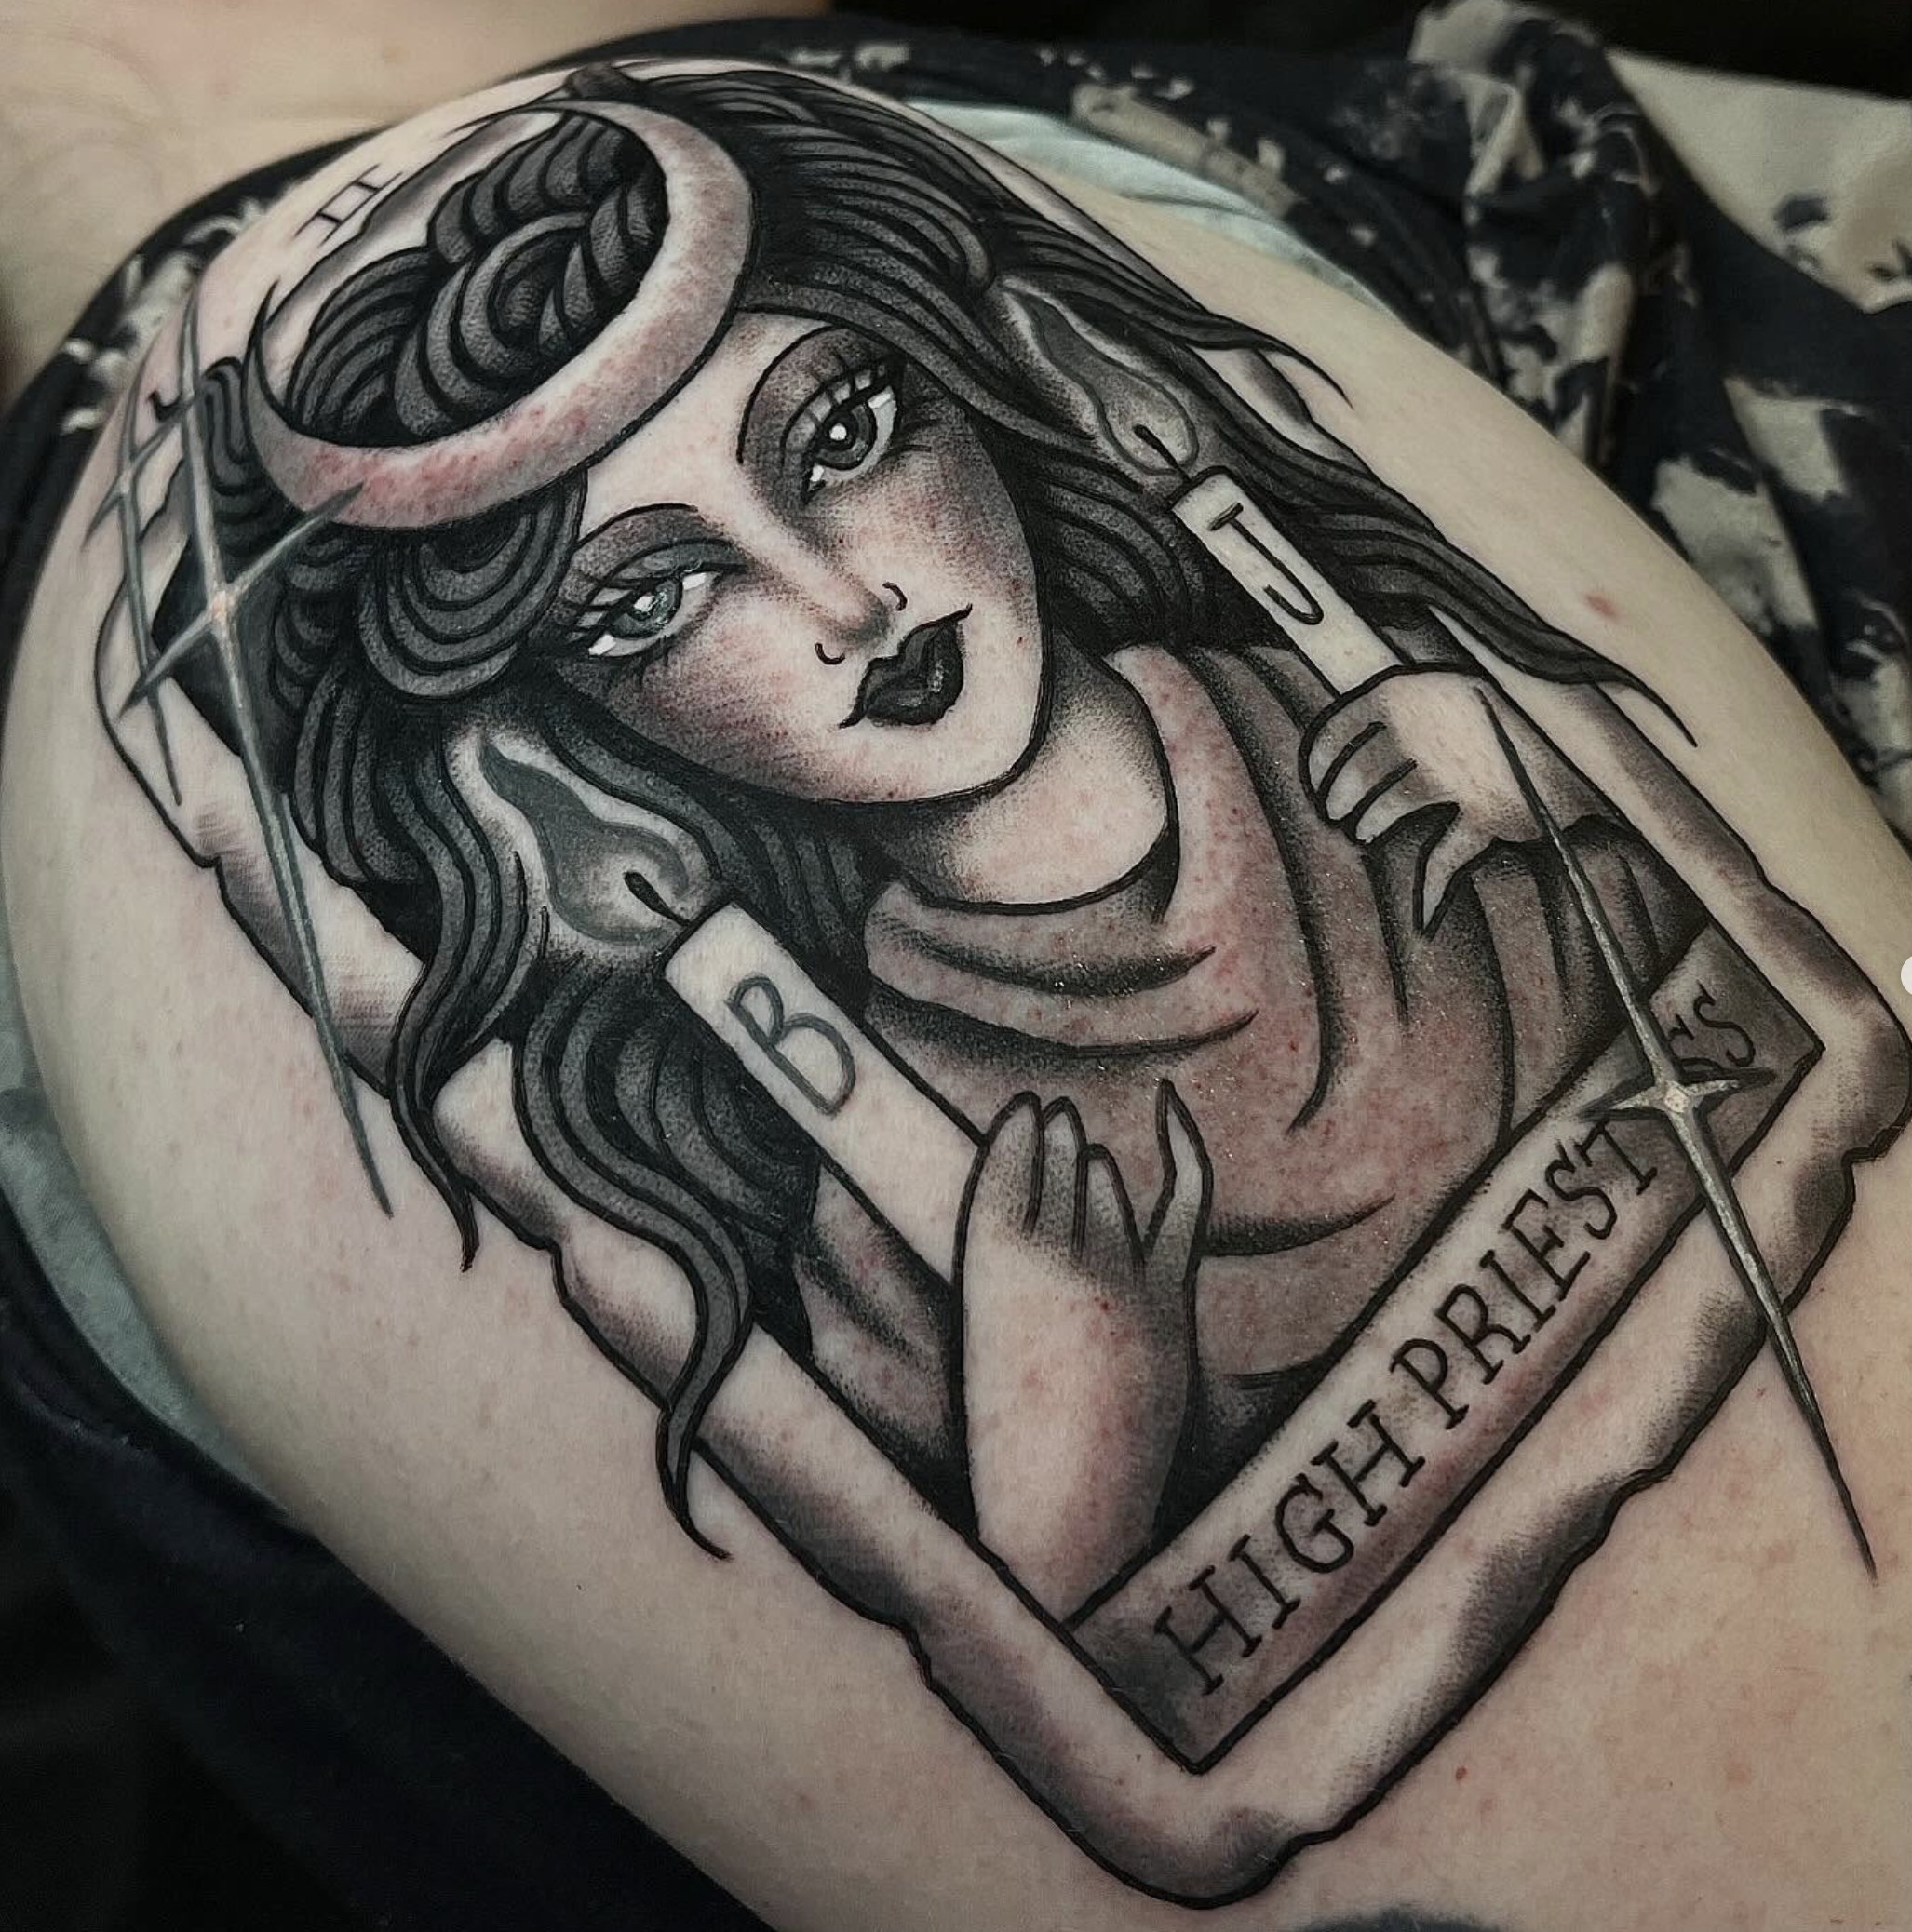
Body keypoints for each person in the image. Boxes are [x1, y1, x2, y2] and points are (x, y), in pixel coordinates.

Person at [5, 9, 1912, 1929]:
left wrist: (1571, 782)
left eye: (838, 437)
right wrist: (1070, 1494)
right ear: (565, 750)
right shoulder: (905, 1220)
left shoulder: (1352, 730)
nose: (844, 602)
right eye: (654, 594)